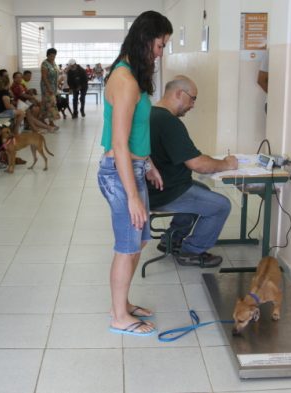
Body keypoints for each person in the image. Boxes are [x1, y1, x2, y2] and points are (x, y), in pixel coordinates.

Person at [97, 10, 172, 337]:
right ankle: (119, 317)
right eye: (159, 45)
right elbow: (119, 142)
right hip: (119, 172)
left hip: (133, 165)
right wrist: (132, 196)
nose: (161, 52)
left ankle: (122, 305)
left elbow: (136, 134)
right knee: (128, 245)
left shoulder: (131, 75)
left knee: (138, 242)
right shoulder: (125, 81)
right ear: (145, 40)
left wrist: (150, 163)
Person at [148, 75, 238, 267]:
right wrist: (227, 164)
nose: (193, 105)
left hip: (158, 186)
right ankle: (192, 251)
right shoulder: (168, 122)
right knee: (221, 205)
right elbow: (197, 164)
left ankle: (171, 239)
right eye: (193, 98)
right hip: (166, 192)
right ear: (179, 93)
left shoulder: (152, 114)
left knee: (203, 191)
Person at [40, 48, 60, 129]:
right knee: (51, 104)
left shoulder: (53, 63)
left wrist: (57, 85)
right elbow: (44, 77)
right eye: (51, 56)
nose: (53, 57)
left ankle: (41, 119)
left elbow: (56, 75)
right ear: (47, 55)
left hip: (53, 87)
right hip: (47, 87)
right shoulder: (44, 64)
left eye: (54, 56)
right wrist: (49, 88)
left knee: (45, 104)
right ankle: (51, 122)